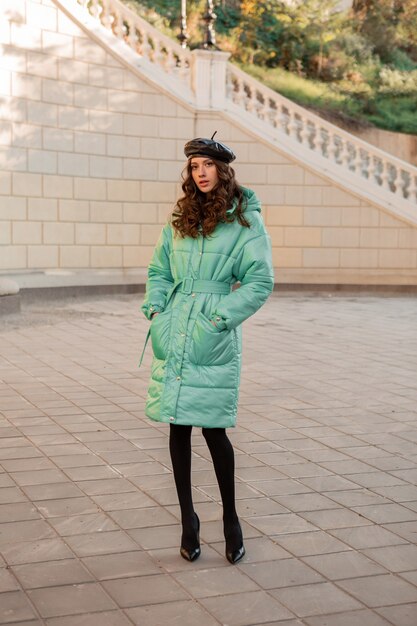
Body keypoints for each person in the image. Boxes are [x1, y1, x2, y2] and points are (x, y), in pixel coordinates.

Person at [141, 134, 274, 564]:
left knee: (214, 431)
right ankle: (187, 521)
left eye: (208, 165)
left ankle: (231, 520)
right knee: (177, 428)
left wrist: (219, 318)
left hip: (210, 331)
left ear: (223, 169)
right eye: (194, 165)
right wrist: (157, 308)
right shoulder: (180, 216)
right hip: (176, 325)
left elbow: (260, 281)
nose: (200, 172)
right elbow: (160, 268)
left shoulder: (244, 222)